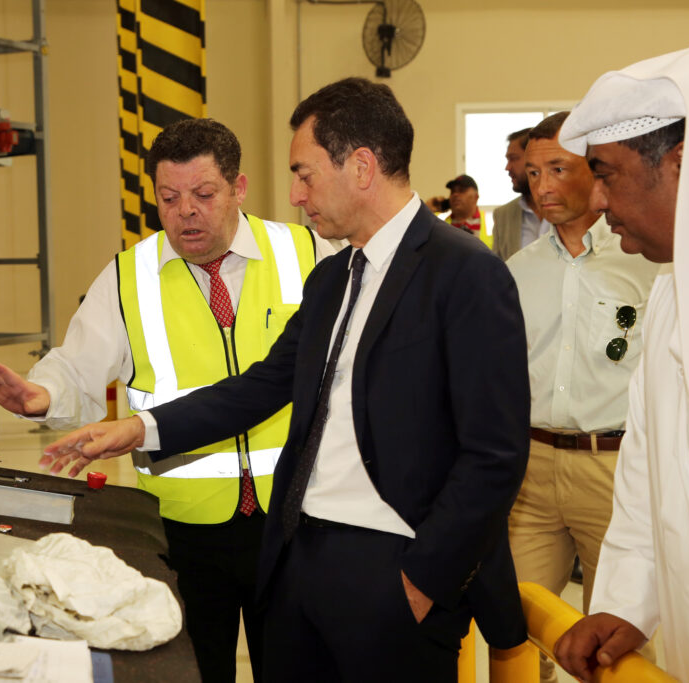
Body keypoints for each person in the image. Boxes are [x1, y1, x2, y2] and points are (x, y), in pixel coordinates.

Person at [42, 77, 530, 681]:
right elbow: (260, 387)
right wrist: (139, 430)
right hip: (303, 560)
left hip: (396, 569)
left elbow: (494, 455)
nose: (296, 196)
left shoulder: (464, 273)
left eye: (305, 175)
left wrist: (423, 580)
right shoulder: (334, 277)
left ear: (361, 167)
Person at [0, 117, 335, 683]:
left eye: (203, 194)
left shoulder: (308, 252)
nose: (185, 211)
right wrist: (41, 394)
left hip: (295, 522)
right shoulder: (128, 276)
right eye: (169, 198)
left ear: (238, 188)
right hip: (182, 531)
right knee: (193, 671)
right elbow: (76, 366)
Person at [551, 42, 689, 682]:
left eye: (607, 174)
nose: (596, 201)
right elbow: (647, 475)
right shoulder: (669, 296)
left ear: (683, 163)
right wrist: (627, 603)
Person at [506, 112, 659, 682]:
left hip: (615, 471)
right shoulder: (517, 271)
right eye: (532, 172)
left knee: (617, 643)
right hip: (532, 471)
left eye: (557, 169)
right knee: (514, 627)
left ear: (594, 171)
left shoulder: (646, 261)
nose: (542, 186)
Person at [492, 128, 550, 260]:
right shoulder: (503, 216)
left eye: (513, 159)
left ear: (535, 158)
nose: (507, 167)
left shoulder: (570, 207)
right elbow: (498, 267)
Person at [445, 173, 492, 248]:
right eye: (452, 191)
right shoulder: (441, 222)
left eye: (462, 190)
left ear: (476, 197)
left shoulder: (491, 222)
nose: (455, 194)